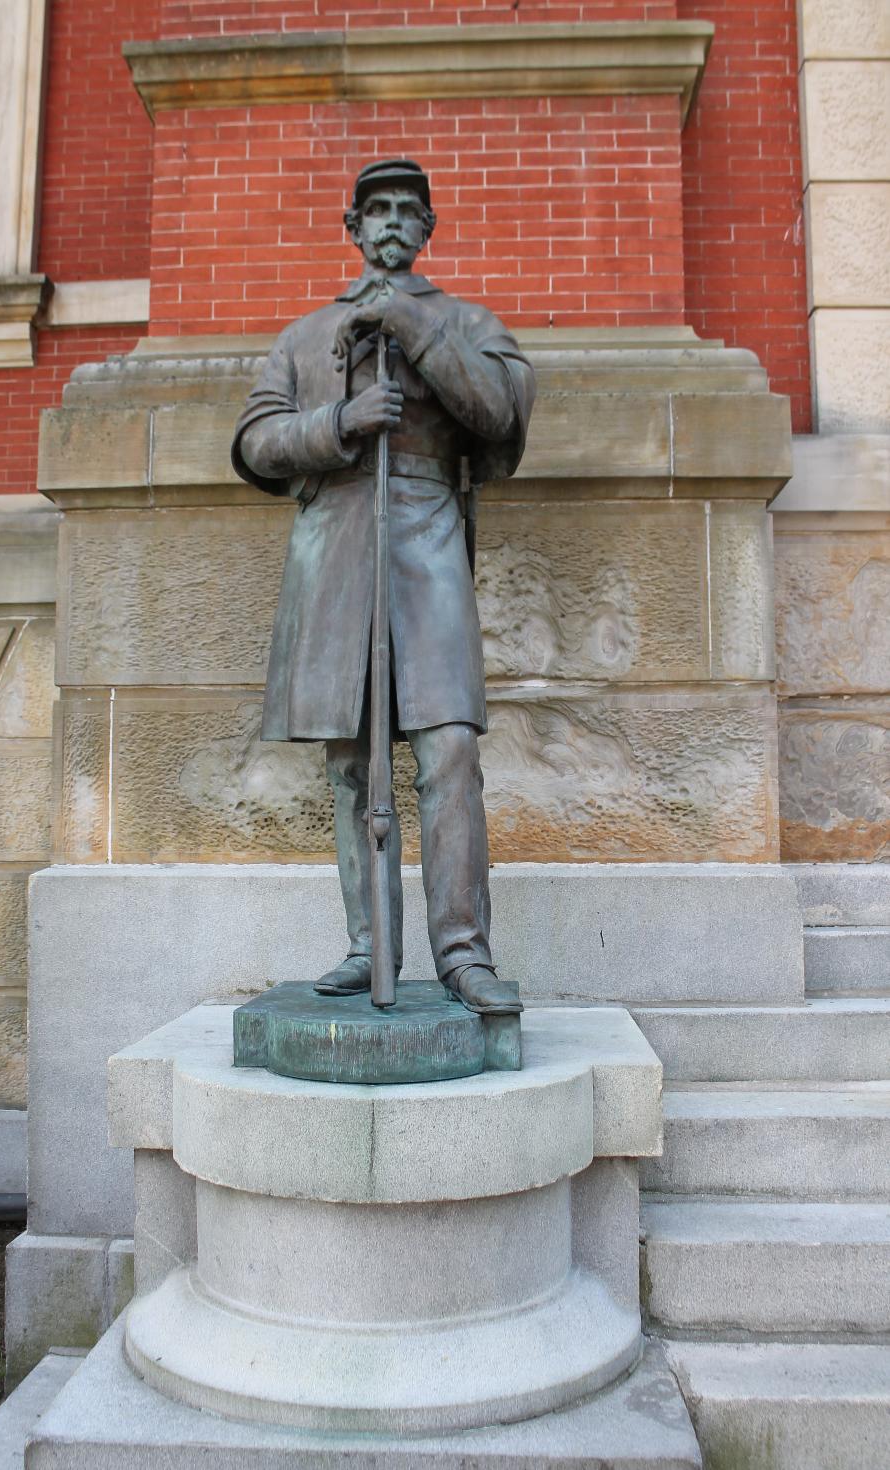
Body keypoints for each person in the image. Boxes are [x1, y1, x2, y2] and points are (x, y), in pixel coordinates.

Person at [232, 158, 535, 1014]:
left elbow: (502, 416)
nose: (393, 223)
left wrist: (413, 328)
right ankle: (371, 948)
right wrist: (339, 423)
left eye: (409, 210)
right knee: (350, 763)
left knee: (450, 748)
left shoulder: (468, 321)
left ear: (428, 228)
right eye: (378, 211)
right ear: (354, 228)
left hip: (426, 526)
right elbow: (257, 441)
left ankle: (463, 954)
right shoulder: (301, 337)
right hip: (334, 542)